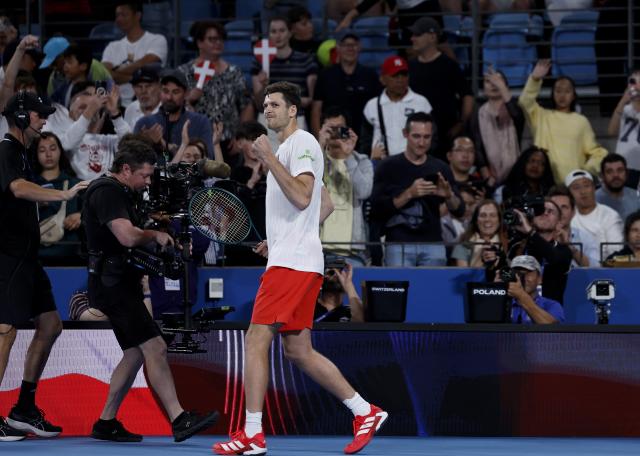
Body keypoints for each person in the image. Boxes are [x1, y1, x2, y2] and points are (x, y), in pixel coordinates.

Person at [213, 81, 387, 455]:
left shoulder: (301, 143)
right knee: (298, 351)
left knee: (256, 339)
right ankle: (364, 411)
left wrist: (268, 159)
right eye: (265, 105)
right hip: (295, 258)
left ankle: (253, 434)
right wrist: (282, 237)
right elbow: (322, 204)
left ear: (293, 110)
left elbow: (303, 195)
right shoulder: (295, 148)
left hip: (293, 265)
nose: (267, 110)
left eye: (275, 104)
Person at [82, 136, 219, 442]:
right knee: (155, 346)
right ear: (126, 169)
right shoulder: (106, 191)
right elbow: (127, 236)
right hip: (112, 285)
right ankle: (179, 418)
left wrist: (160, 224)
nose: (147, 182)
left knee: (133, 353)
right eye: (144, 176)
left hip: (118, 283)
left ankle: (105, 423)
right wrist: (154, 235)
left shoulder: (122, 192)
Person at [0, 91, 88, 441]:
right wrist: (64, 195)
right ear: (21, 118)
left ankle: (24, 408)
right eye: (38, 115)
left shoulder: (21, 152)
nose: (44, 120)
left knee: (50, 325)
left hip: (28, 258)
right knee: (5, 333)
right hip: (7, 257)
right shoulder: (6, 149)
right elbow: (19, 189)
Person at [371, 112, 464, 267]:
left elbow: (459, 210)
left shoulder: (441, 168)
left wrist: (448, 196)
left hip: (433, 244)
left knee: (431, 291)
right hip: (398, 245)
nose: (421, 143)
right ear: (405, 134)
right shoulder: (388, 167)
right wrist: (409, 194)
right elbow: (376, 209)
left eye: (426, 137)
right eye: (416, 136)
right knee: (398, 291)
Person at [518, 59, 607, 184]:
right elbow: (524, 102)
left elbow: (598, 153)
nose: (562, 95)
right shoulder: (541, 116)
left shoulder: (581, 121)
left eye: (567, 91)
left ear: (573, 95)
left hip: (572, 183)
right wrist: (535, 79)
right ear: (552, 94)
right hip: (543, 183)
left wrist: (585, 171)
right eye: (558, 91)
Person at [177, 20, 253, 146]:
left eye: (221, 39)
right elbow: (173, 104)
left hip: (229, 141)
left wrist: (241, 137)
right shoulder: (184, 72)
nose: (218, 43)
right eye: (212, 39)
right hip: (195, 142)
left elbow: (246, 105)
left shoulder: (233, 72)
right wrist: (189, 98)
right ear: (199, 43)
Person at [408, 17, 474, 159]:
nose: (412, 38)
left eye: (417, 35)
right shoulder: (411, 66)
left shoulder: (449, 65)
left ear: (432, 37)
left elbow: (467, 95)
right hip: (417, 137)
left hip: (446, 135)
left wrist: (461, 124)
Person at [318, 106, 373, 266]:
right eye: (330, 129)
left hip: (352, 251)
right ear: (321, 129)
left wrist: (348, 155)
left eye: (339, 129)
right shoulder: (312, 158)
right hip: (318, 249)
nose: (335, 133)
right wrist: (320, 146)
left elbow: (364, 192)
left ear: (348, 130)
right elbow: (309, 184)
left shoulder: (361, 161)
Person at [311, 31, 381, 140]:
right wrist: (318, 139)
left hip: (363, 137)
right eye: (345, 45)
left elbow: (378, 109)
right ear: (338, 48)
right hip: (332, 137)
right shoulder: (326, 75)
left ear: (359, 47)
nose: (350, 49)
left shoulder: (370, 75)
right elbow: (316, 110)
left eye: (354, 45)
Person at [134, 70, 214, 160]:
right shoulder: (144, 124)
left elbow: (208, 158)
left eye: (175, 92)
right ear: (160, 91)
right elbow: (133, 161)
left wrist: (167, 147)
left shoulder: (200, 122)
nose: (169, 97)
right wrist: (147, 143)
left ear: (186, 94)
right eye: (165, 91)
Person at [362, 55, 432, 159]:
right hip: (381, 165)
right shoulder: (372, 105)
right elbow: (365, 140)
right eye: (395, 75)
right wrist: (370, 155)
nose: (400, 80)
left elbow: (432, 137)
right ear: (382, 79)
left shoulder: (421, 103)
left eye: (404, 75)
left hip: (415, 164)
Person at [507, 198, 573, 305]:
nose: (545, 213)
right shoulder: (517, 248)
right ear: (531, 219)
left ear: (559, 223)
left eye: (550, 211)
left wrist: (530, 232)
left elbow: (553, 258)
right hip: (518, 312)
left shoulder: (564, 251)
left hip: (548, 315)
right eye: (540, 210)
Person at [101, 1, 168, 106]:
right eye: (117, 15)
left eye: (123, 15)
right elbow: (104, 75)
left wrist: (116, 72)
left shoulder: (157, 40)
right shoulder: (112, 46)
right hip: (116, 105)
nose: (119, 19)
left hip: (148, 105)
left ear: (137, 16)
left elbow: (145, 67)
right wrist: (134, 78)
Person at [467, 68, 525, 186]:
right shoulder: (478, 113)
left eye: (498, 80)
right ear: (483, 88)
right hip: (491, 177)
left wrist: (502, 88)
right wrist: (486, 174)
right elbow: (477, 145)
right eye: (488, 81)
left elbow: (516, 115)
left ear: (506, 86)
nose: (494, 84)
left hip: (518, 175)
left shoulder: (515, 107)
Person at [33, 132, 83, 264]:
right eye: (42, 150)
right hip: (35, 255)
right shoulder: (28, 185)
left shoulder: (75, 184)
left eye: (53, 148)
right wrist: (34, 206)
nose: (48, 154)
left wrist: (80, 215)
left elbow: (94, 211)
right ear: (35, 154)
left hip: (70, 255)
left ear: (61, 151)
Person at [566, 169, 624, 261]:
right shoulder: (566, 216)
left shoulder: (610, 215)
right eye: (576, 187)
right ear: (568, 193)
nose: (583, 191)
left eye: (586, 186)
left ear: (594, 188)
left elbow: (616, 251)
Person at [496, 255, 565, 324]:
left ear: (539, 279)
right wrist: (495, 294)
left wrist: (522, 297)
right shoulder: (503, 304)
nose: (523, 278)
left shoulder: (551, 305)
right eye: (518, 273)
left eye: (528, 273)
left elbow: (553, 330)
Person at [548, 184, 600, 267]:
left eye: (564, 207)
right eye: (555, 207)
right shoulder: (538, 237)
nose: (559, 212)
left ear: (573, 212)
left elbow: (596, 268)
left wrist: (570, 246)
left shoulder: (586, 238)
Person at [452, 200, 508, 268]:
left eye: (492, 215)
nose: (487, 219)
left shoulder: (508, 242)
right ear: (476, 220)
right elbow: (463, 275)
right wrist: (480, 257)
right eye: (483, 215)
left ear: (499, 221)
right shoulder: (464, 243)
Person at [608, 69, 640, 188]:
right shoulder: (625, 109)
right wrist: (622, 101)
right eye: (632, 81)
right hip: (623, 167)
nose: (635, 86)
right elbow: (612, 131)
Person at [596, 153, 640, 221]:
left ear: (627, 173)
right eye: (610, 171)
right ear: (602, 176)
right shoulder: (593, 200)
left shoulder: (637, 197)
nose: (616, 175)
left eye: (620, 170)